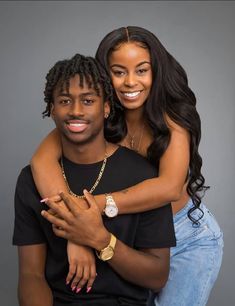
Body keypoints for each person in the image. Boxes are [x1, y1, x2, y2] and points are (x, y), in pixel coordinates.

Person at [30, 26, 224, 306]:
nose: (130, 82)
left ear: (156, 71)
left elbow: (168, 187)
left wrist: (89, 209)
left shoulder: (173, 120)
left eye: (141, 70)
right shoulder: (99, 113)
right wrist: (75, 226)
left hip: (186, 237)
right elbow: (41, 160)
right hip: (131, 234)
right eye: (119, 72)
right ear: (103, 76)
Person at [13, 53, 176, 306]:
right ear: (52, 109)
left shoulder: (142, 174)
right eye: (65, 100)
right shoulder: (31, 179)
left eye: (88, 100)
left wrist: (99, 240)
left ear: (107, 107)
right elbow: (30, 275)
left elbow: (157, 276)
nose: (76, 111)